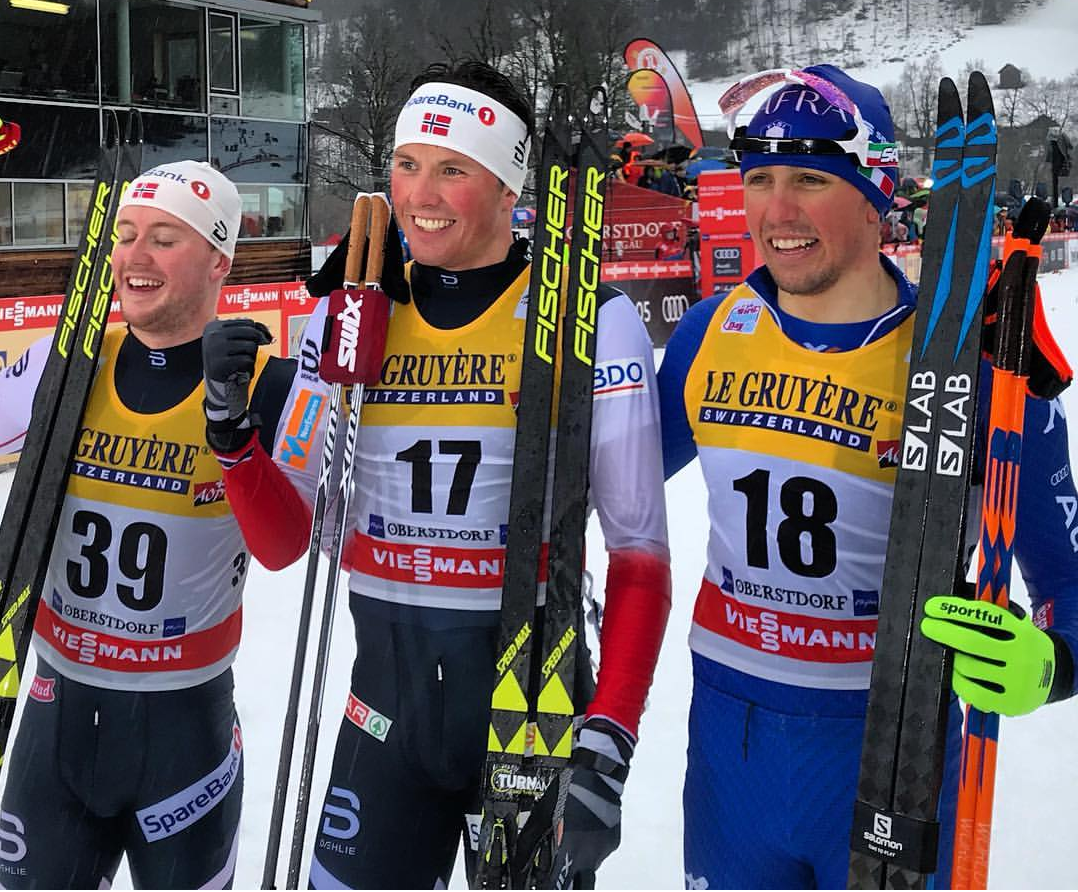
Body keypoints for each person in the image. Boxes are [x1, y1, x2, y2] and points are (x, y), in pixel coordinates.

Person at [204, 59, 671, 888]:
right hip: (383, 710)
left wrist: (611, 733)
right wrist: (234, 437)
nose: (420, 193)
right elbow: (288, 541)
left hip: (533, 710)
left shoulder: (589, 317)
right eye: (408, 165)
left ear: (507, 186)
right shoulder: (347, 317)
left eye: (453, 170)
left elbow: (639, 551)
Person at [657, 64, 1078, 889]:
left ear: (877, 192)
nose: (777, 211)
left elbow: (1068, 578)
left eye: (811, 178)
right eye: (760, 179)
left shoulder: (979, 363)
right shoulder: (711, 333)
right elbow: (587, 484)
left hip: (896, 745)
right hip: (727, 751)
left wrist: (1054, 661)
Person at [0, 159, 303, 888]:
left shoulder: (268, 382)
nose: (135, 257)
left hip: (183, 731)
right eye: (126, 234)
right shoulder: (65, 362)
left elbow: (286, 546)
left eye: (166, 239)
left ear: (219, 261)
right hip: (53, 707)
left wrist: (232, 436)